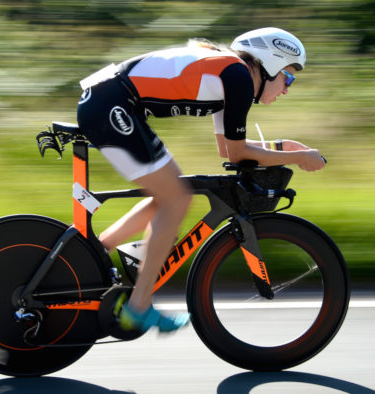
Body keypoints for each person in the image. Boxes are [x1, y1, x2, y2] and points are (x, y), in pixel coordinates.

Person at [76, 27, 326, 333]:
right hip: (111, 104)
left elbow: (229, 148)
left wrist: (283, 148)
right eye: (288, 77)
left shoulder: (233, 75)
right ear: (269, 64)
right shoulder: (238, 77)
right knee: (176, 198)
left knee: (172, 191)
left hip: (110, 99)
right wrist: (298, 158)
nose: (287, 89)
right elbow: (237, 153)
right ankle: (137, 306)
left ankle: (95, 254)